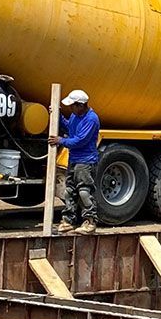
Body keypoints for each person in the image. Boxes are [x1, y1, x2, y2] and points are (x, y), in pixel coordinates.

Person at [50, 88, 100, 235]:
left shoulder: (91, 119)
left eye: (72, 105)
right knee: (69, 191)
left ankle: (90, 222)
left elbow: (80, 141)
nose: (70, 108)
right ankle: (68, 221)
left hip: (85, 161)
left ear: (81, 105)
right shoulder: (75, 116)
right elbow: (68, 126)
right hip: (74, 159)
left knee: (84, 191)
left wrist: (61, 140)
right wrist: (57, 115)